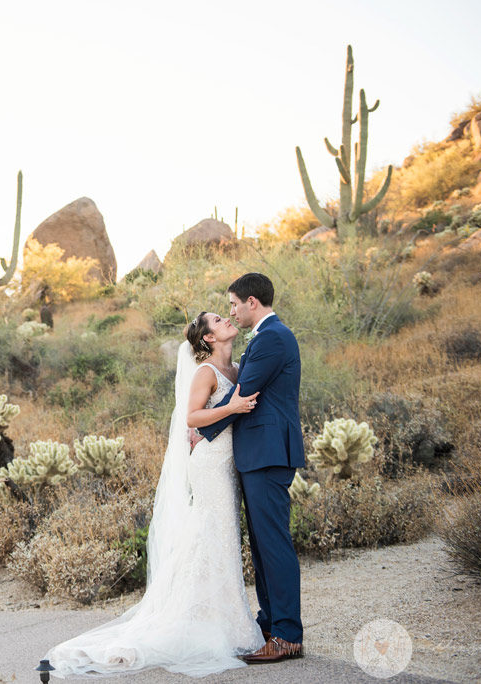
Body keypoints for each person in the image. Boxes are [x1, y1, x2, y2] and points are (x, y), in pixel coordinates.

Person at [42, 310, 265, 678]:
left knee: (222, 535)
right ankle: (205, 620)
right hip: (210, 463)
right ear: (208, 338)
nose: (227, 320)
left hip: (230, 462)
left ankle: (223, 615)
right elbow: (192, 417)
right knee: (213, 531)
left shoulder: (237, 368)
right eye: (218, 321)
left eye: (226, 318)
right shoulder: (205, 372)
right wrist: (233, 407)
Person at [198, 272, 305, 664]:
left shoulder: (274, 337)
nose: (231, 312)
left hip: (269, 453)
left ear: (252, 303)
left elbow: (245, 394)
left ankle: (288, 634)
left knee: (273, 545)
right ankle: (270, 623)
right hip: (257, 454)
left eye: (233, 304)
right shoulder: (264, 338)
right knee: (262, 546)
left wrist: (204, 433)